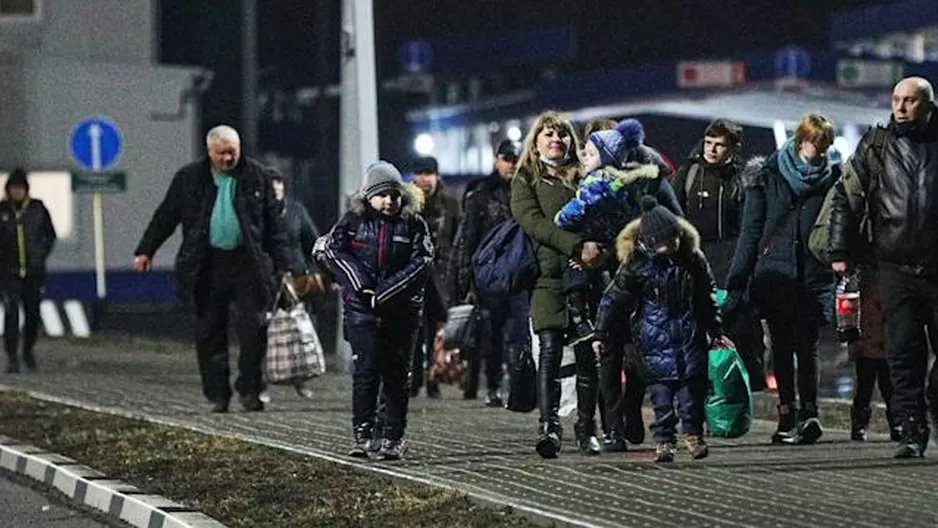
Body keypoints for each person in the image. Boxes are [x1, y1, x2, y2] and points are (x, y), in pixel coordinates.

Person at [133, 125, 292, 413]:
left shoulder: (256, 176)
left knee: (254, 329)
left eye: (233, 152)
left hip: (249, 264)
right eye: (222, 153)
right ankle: (218, 394)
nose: (228, 158)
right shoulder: (189, 179)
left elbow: (274, 226)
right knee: (209, 332)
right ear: (209, 152)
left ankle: (250, 389)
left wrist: (285, 264)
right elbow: (166, 215)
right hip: (206, 264)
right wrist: (146, 250)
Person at [829, 76, 938, 458]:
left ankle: (932, 404)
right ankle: (911, 429)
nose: (901, 107)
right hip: (892, 266)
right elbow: (847, 196)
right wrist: (839, 249)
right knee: (903, 353)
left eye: (909, 101)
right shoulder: (877, 144)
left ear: (927, 105)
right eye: (896, 99)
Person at [724, 113, 840, 445]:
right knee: (782, 346)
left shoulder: (832, 179)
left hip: (814, 275)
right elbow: (750, 233)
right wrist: (737, 282)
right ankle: (787, 412)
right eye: (813, 143)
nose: (818, 151)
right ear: (800, 139)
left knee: (808, 347)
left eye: (824, 145)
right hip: (775, 277)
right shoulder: (768, 175)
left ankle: (810, 413)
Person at [593, 196, 725, 462]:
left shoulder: (692, 259)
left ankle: (693, 435)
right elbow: (613, 298)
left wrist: (715, 328)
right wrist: (601, 332)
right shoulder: (637, 263)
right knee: (661, 397)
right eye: (661, 243)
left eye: (671, 241)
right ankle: (664, 439)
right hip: (653, 340)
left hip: (689, 337)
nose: (666, 248)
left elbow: (705, 295)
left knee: (691, 395)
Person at [318, 161, 433, 461]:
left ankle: (393, 437)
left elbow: (421, 263)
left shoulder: (413, 224)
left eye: (394, 194)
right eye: (382, 195)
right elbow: (335, 252)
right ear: (368, 195)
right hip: (361, 314)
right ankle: (363, 434)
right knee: (366, 373)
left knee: (397, 376)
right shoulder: (352, 221)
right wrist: (362, 287)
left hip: (402, 314)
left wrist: (384, 293)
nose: (389, 201)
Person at [510, 110, 602, 457]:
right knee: (548, 352)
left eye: (562, 134)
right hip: (545, 279)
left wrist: (595, 252)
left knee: (586, 355)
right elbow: (533, 223)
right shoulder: (526, 180)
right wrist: (574, 245)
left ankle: (585, 427)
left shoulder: (586, 176)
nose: (555, 140)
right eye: (548, 134)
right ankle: (549, 427)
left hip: (585, 278)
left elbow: (602, 217)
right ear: (535, 142)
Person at [451, 139, 530, 407]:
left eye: (517, 158)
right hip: (492, 275)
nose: (512, 164)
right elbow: (467, 240)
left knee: (521, 334)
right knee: (492, 335)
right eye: (508, 158)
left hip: (522, 275)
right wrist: (467, 283)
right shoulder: (481, 194)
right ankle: (494, 386)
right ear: (497, 159)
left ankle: (519, 387)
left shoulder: (529, 189)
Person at [409, 156, 459, 399]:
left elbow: (458, 238)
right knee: (414, 330)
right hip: (414, 276)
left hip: (441, 276)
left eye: (429, 173)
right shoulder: (408, 203)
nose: (425, 179)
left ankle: (434, 378)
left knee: (437, 330)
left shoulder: (449, 204)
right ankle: (415, 377)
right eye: (420, 173)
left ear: (437, 176)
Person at [0, 168, 56, 373]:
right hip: (9, 273)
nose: (17, 192)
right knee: (11, 313)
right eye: (13, 188)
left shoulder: (37, 209)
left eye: (20, 188)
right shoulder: (2, 211)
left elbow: (50, 235)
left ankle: (28, 350)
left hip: (34, 272)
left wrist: (40, 256)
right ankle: (12, 356)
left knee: (33, 314)